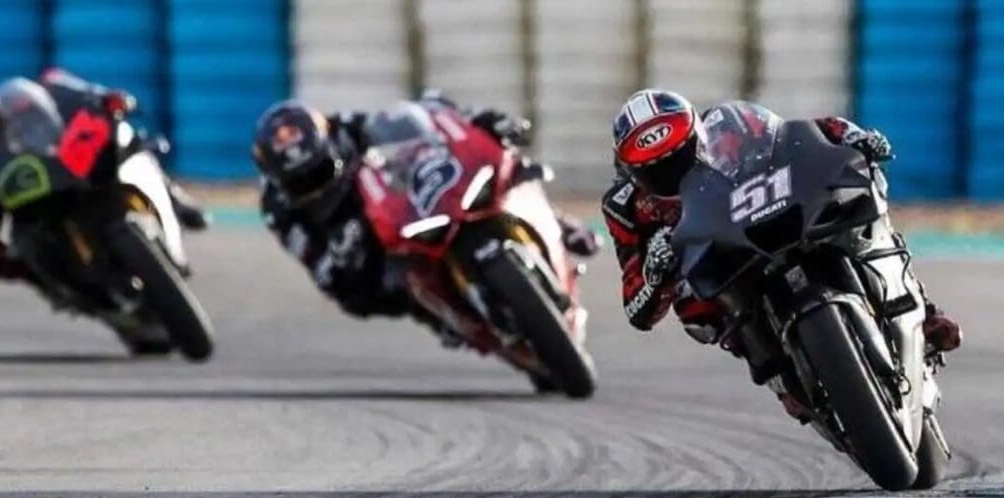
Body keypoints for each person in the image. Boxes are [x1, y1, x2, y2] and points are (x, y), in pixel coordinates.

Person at [601, 89, 962, 418]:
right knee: (696, 313)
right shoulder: (626, 208)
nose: (673, 174)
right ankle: (778, 375)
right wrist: (655, 270)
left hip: (780, 213)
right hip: (722, 259)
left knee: (862, 202)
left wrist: (854, 137)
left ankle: (923, 309)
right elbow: (636, 305)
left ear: (697, 136)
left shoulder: (730, 125)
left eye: (680, 158)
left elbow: (801, 135)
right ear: (631, 172)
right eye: (657, 171)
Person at [253, 94, 601, 341]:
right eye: (304, 181)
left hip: (396, 200)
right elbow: (319, 270)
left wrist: (477, 120)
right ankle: (443, 316)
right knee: (383, 286)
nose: (317, 182)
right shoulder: (279, 209)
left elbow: (415, 122)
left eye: (321, 169)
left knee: (501, 173)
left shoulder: (341, 127)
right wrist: (339, 257)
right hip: (364, 255)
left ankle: (554, 222)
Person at [0, 68, 207, 282]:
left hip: (22, 175)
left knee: (116, 139)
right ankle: (61, 283)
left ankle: (174, 198)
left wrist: (94, 97)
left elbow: (39, 94)